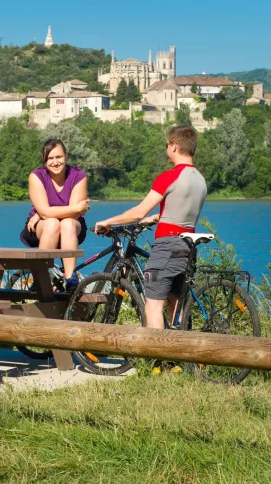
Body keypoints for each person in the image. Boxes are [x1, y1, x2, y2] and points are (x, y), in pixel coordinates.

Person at [94, 125, 207, 371]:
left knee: (153, 305)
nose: (167, 148)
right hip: (188, 244)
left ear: (175, 146)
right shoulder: (199, 179)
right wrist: (158, 217)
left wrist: (107, 221)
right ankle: (178, 360)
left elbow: (137, 211)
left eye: (167, 145)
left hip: (167, 245)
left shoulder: (169, 176)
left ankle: (161, 362)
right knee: (174, 302)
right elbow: (181, 209)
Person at [20, 138, 90, 290]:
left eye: (58, 157)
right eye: (50, 158)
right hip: (40, 228)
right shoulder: (36, 176)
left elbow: (73, 215)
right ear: (44, 161)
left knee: (67, 223)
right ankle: (41, 277)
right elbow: (73, 209)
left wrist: (44, 212)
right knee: (52, 223)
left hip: (72, 226)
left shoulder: (78, 176)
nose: (55, 162)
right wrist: (42, 214)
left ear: (66, 156)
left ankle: (71, 278)